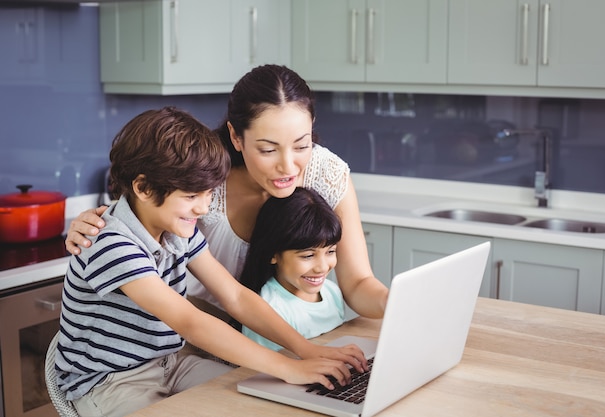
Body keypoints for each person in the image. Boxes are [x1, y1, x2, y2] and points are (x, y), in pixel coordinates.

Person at [55, 107, 367, 417]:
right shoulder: (111, 244)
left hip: (170, 363)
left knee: (262, 402)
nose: (203, 208)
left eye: (208, 194)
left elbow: (236, 296)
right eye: (192, 197)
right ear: (144, 188)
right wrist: (289, 367)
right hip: (110, 382)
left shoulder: (176, 230)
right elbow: (190, 323)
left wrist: (306, 351)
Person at [65, 64, 388, 322]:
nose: (288, 167)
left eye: (302, 145)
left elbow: (358, 284)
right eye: (267, 149)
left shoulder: (326, 174)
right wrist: (94, 221)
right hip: (204, 333)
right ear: (235, 136)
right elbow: (141, 214)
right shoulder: (202, 180)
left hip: (290, 327)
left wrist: (396, 304)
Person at [239, 187, 345, 350]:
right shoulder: (269, 309)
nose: (322, 267)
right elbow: (261, 373)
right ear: (273, 254)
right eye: (308, 255)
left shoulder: (332, 292)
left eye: (330, 251)